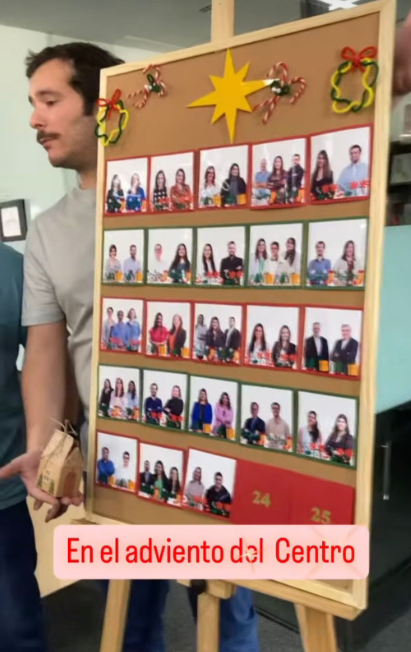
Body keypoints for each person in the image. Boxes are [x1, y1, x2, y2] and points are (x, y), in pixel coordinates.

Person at [6, 38, 258, 652]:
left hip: (212, 453)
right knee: (129, 622)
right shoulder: (48, 232)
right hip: (114, 465)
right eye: (33, 103)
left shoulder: (192, 196)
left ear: (104, 103)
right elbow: (46, 349)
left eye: (49, 101)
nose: (35, 119)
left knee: (227, 615)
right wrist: (44, 445)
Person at [0, 243, 48, 652]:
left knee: (17, 630)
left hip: (3, 491)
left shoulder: (12, 270)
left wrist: (43, 443)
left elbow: (44, 361)